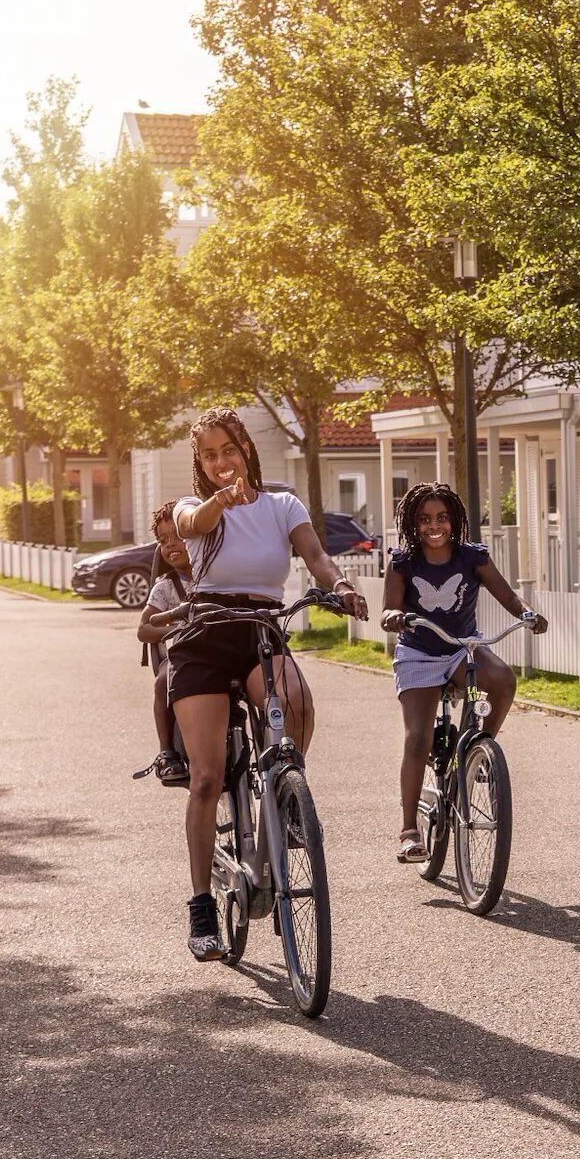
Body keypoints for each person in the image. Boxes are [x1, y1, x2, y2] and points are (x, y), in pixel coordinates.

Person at [169, 407, 369, 961]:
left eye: (227, 450)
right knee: (207, 778)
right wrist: (219, 499)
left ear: (246, 449)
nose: (219, 462)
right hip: (206, 632)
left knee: (297, 702)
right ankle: (201, 909)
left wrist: (342, 585)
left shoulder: (283, 505)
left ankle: (282, 801)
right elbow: (195, 526)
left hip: (260, 627)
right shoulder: (194, 506)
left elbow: (315, 556)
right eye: (208, 455)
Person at [380, 482, 546, 863]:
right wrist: (395, 617)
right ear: (413, 523)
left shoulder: (472, 557)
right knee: (418, 738)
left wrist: (526, 614)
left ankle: (477, 751)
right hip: (419, 652)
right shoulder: (403, 561)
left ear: (454, 521)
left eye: (441, 518)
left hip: (461, 650)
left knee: (503, 679)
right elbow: (388, 608)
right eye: (424, 520)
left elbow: (507, 595)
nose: (433, 526)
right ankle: (409, 830)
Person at [138, 501, 193, 786]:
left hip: (217, 650)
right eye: (163, 540)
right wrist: (174, 627)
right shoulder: (166, 587)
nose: (171, 545)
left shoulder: (216, 577)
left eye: (179, 536)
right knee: (162, 682)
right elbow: (144, 629)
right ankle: (167, 751)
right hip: (180, 655)